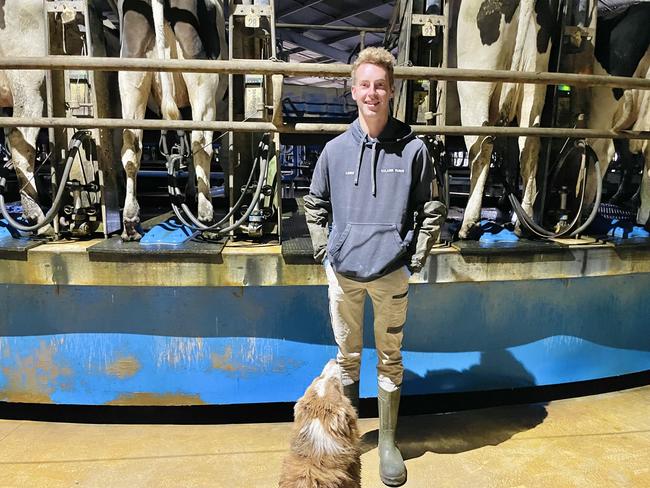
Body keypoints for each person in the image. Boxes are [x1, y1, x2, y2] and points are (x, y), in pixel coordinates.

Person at [303, 47, 446, 487]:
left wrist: (415, 254)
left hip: (391, 274)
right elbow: (314, 204)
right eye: (364, 84)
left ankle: (387, 441)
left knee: (390, 358)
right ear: (352, 91)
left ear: (392, 91)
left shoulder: (415, 150)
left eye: (380, 85)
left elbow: (433, 206)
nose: (372, 92)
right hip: (343, 274)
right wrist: (328, 250)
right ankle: (343, 439)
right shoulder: (334, 150)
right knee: (346, 361)